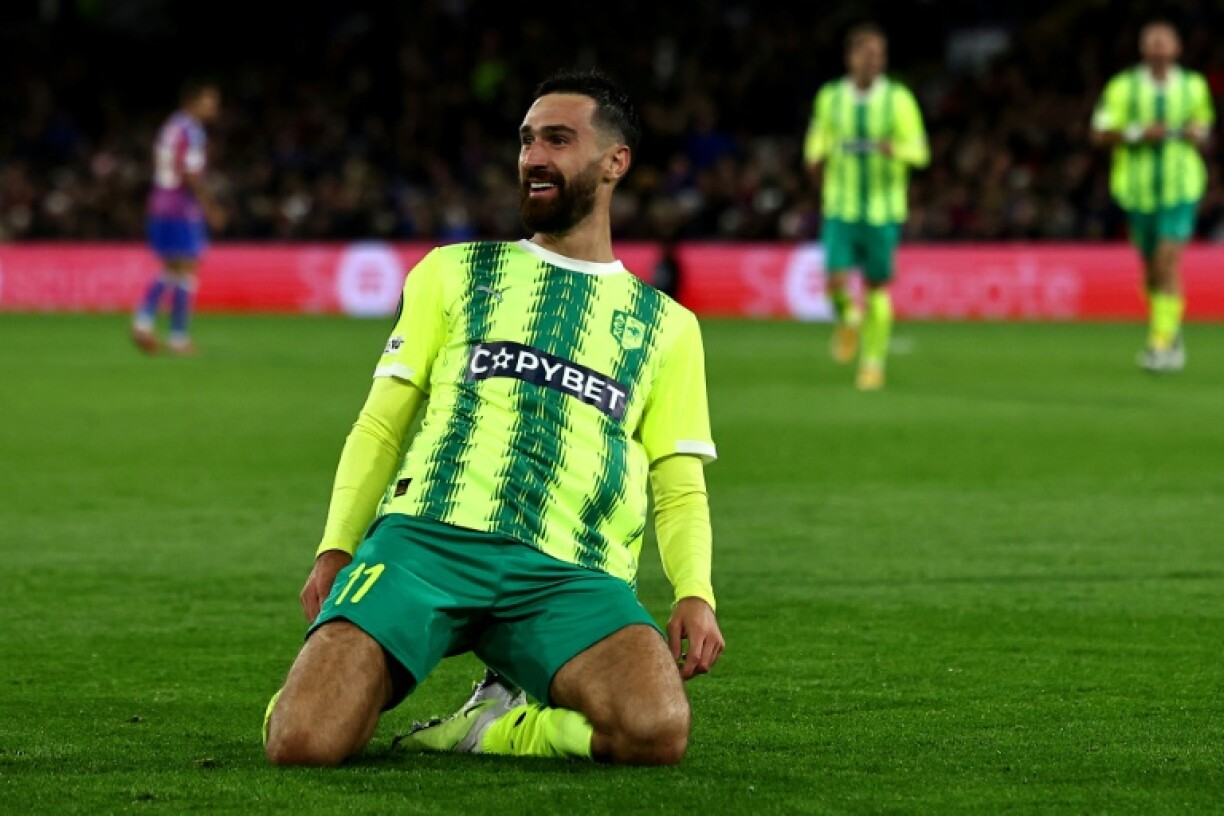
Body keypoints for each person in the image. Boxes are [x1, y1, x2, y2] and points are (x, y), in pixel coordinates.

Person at [262, 68, 724, 768]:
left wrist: (695, 591)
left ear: (615, 162)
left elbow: (679, 483)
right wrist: (337, 546)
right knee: (303, 742)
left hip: (571, 570)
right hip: (425, 543)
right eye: (527, 140)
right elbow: (381, 425)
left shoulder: (668, 326)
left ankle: (495, 726)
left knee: (655, 729)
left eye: (558, 140)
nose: (534, 156)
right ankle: (313, 691)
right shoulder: (452, 272)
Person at [803, 23, 929, 391]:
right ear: (850, 58)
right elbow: (818, 139)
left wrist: (895, 149)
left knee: (877, 288)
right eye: (866, 53)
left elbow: (921, 152)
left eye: (879, 54)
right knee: (835, 282)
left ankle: (872, 363)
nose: (873, 60)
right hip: (840, 207)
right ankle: (848, 318)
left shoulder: (898, 100)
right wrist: (813, 159)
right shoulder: (831, 98)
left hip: (882, 211)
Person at [1090, 19, 1215, 374]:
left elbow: (1205, 130)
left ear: (1177, 48)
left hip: (1181, 187)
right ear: (1143, 48)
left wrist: (1197, 134)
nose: (1159, 47)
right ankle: (1168, 329)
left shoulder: (1193, 86)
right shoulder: (1122, 87)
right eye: (1152, 41)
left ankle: (1162, 343)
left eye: (1165, 41)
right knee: (1150, 272)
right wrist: (1136, 133)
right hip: (1138, 191)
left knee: (1167, 261)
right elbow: (1099, 132)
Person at [131, 80, 224, 356]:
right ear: (192, 101)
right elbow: (190, 174)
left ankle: (144, 322)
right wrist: (210, 207)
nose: (214, 108)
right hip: (180, 205)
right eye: (209, 102)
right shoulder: (192, 131)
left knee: (171, 268)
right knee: (187, 268)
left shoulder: (170, 126)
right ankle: (177, 336)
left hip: (160, 200)